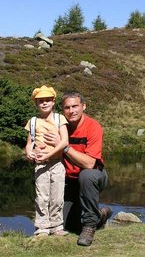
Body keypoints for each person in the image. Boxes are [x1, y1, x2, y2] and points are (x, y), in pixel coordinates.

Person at [43, 91, 112, 246]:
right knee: (67, 226)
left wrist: (64, 146)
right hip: (69, 181)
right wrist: (33, 153)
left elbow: (89, 164)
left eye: (75, 106)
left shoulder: (93, 127)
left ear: (83, 106)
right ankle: (100, 216)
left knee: (86, 175)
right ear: (62, 110)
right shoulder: (60, 127)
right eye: (67, 107)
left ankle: (89, 226)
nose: (71, 111)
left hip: (93, 176)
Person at [24, 85, 69, 236]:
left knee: (57, 196)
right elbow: (29, 143)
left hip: (57, 163)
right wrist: (29, 153)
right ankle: (42, 227)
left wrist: (49, 155)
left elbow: (64, 142)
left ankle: (57, 227)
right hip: (40, 165)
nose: (44, 103)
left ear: (53, 102)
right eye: (40, 101)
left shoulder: (59, 118)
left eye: (47, 100)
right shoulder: (33, 121)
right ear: (36, 103)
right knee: (42, 196)